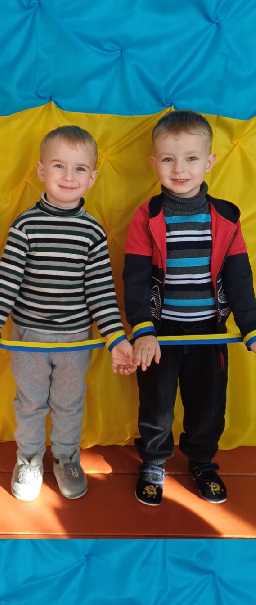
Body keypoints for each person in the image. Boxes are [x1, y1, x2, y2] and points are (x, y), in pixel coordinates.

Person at [0, 126, 133, 501]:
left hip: (75, 340)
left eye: (80, 169)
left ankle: (66, 457)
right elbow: (6, 281)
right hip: (30, 338)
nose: (69, 176)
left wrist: (116, 338)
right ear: (41, 170)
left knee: (69, 404)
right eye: (59, 166)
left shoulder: (92, 232)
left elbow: (101, 292)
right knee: (30, 403)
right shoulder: (25, 226)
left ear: (92, 178)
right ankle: (28, 459)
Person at [123, 110, 256, 506]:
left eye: (191, 158)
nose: (179, 169)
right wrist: (143, 329)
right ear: (154, 163)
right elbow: (135, 279)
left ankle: (202, 461)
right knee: (156, 407)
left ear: (209, 161)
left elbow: (239, 278)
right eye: (168, 159)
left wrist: (250, 325)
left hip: (209, 333)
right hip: (160, 335)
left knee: (209, 407)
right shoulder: (147, 216)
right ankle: (154, 461)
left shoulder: (226, 217)